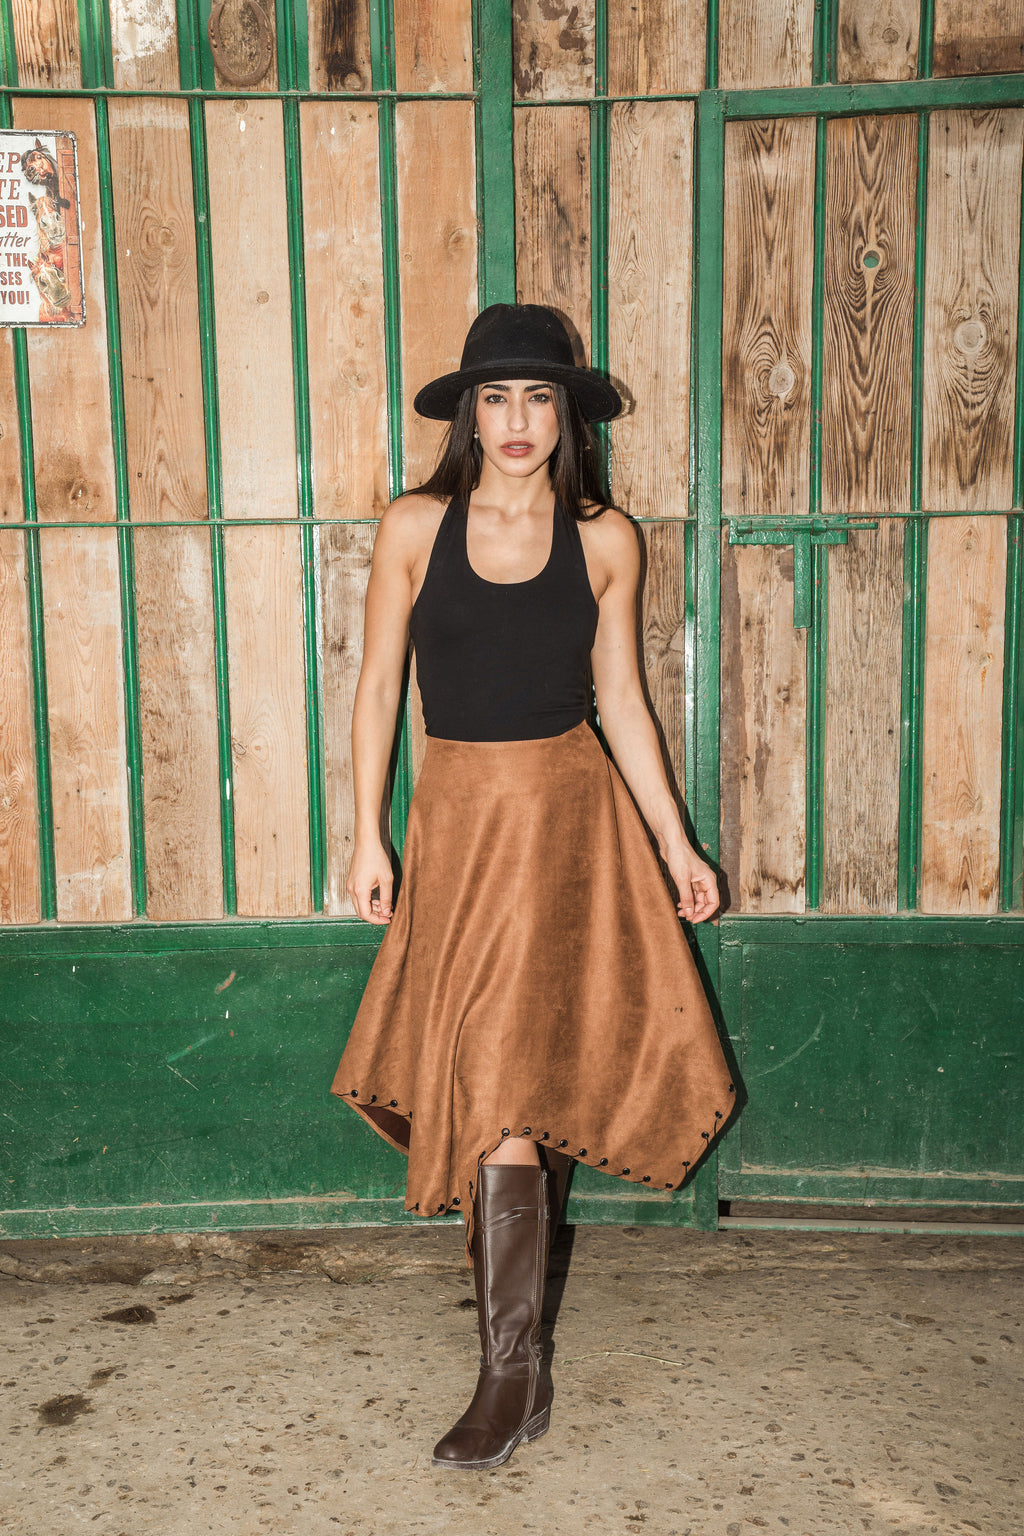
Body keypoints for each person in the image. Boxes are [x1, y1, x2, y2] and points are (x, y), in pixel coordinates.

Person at [331, 304, 734, 1471]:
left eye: (539, 398)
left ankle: (512, 1374)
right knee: (489, 1069)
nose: (516, 422)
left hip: (569, 824)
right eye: (495, 399)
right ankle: (516, 1348)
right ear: (468, 412)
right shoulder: (414, 523)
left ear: (571, 415)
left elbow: (622, 702)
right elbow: (374, 693)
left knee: (510, 1076)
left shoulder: (607, 538)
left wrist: (675, 848)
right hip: (457, 824)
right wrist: (367, 837)